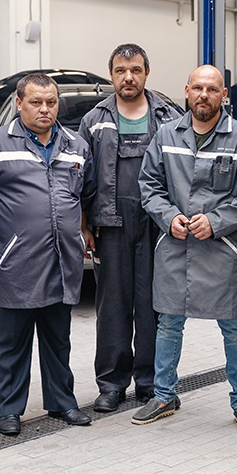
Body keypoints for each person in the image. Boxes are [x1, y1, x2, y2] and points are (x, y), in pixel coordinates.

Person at [133, 65, 237, 434]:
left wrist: (216, 221)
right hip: (175, 245)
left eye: (211, 89)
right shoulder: (166, 135)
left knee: (234, 326)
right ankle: (164, 395)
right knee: (168, 323)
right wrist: (168, 217)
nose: (203, 95)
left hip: (221, 249)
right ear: (187, 91)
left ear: (224, 95)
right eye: (197, 88)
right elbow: (149, 185)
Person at [0, 73, 95, 437]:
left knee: (58, 339)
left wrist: (83, 229)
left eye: (51, 103)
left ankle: (62, 401)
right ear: (19, 103)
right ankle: (9, 409)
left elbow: (86, 194)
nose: (44, 109)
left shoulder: (76, 146)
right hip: (16, 262)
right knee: (11, 342)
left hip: (62, 260)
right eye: (36, 102)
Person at [79, 44, 181, 413]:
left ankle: (152, 382)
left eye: (135, 70)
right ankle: (111, 384)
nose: (128, 77)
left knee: (154, 304)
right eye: (121, 71)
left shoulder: (169, 117)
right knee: (112, 307)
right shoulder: (95, 120)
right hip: (111, 223)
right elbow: (82, 177)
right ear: (111, 75)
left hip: (157, 223)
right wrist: (84, 224)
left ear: (146, 73)